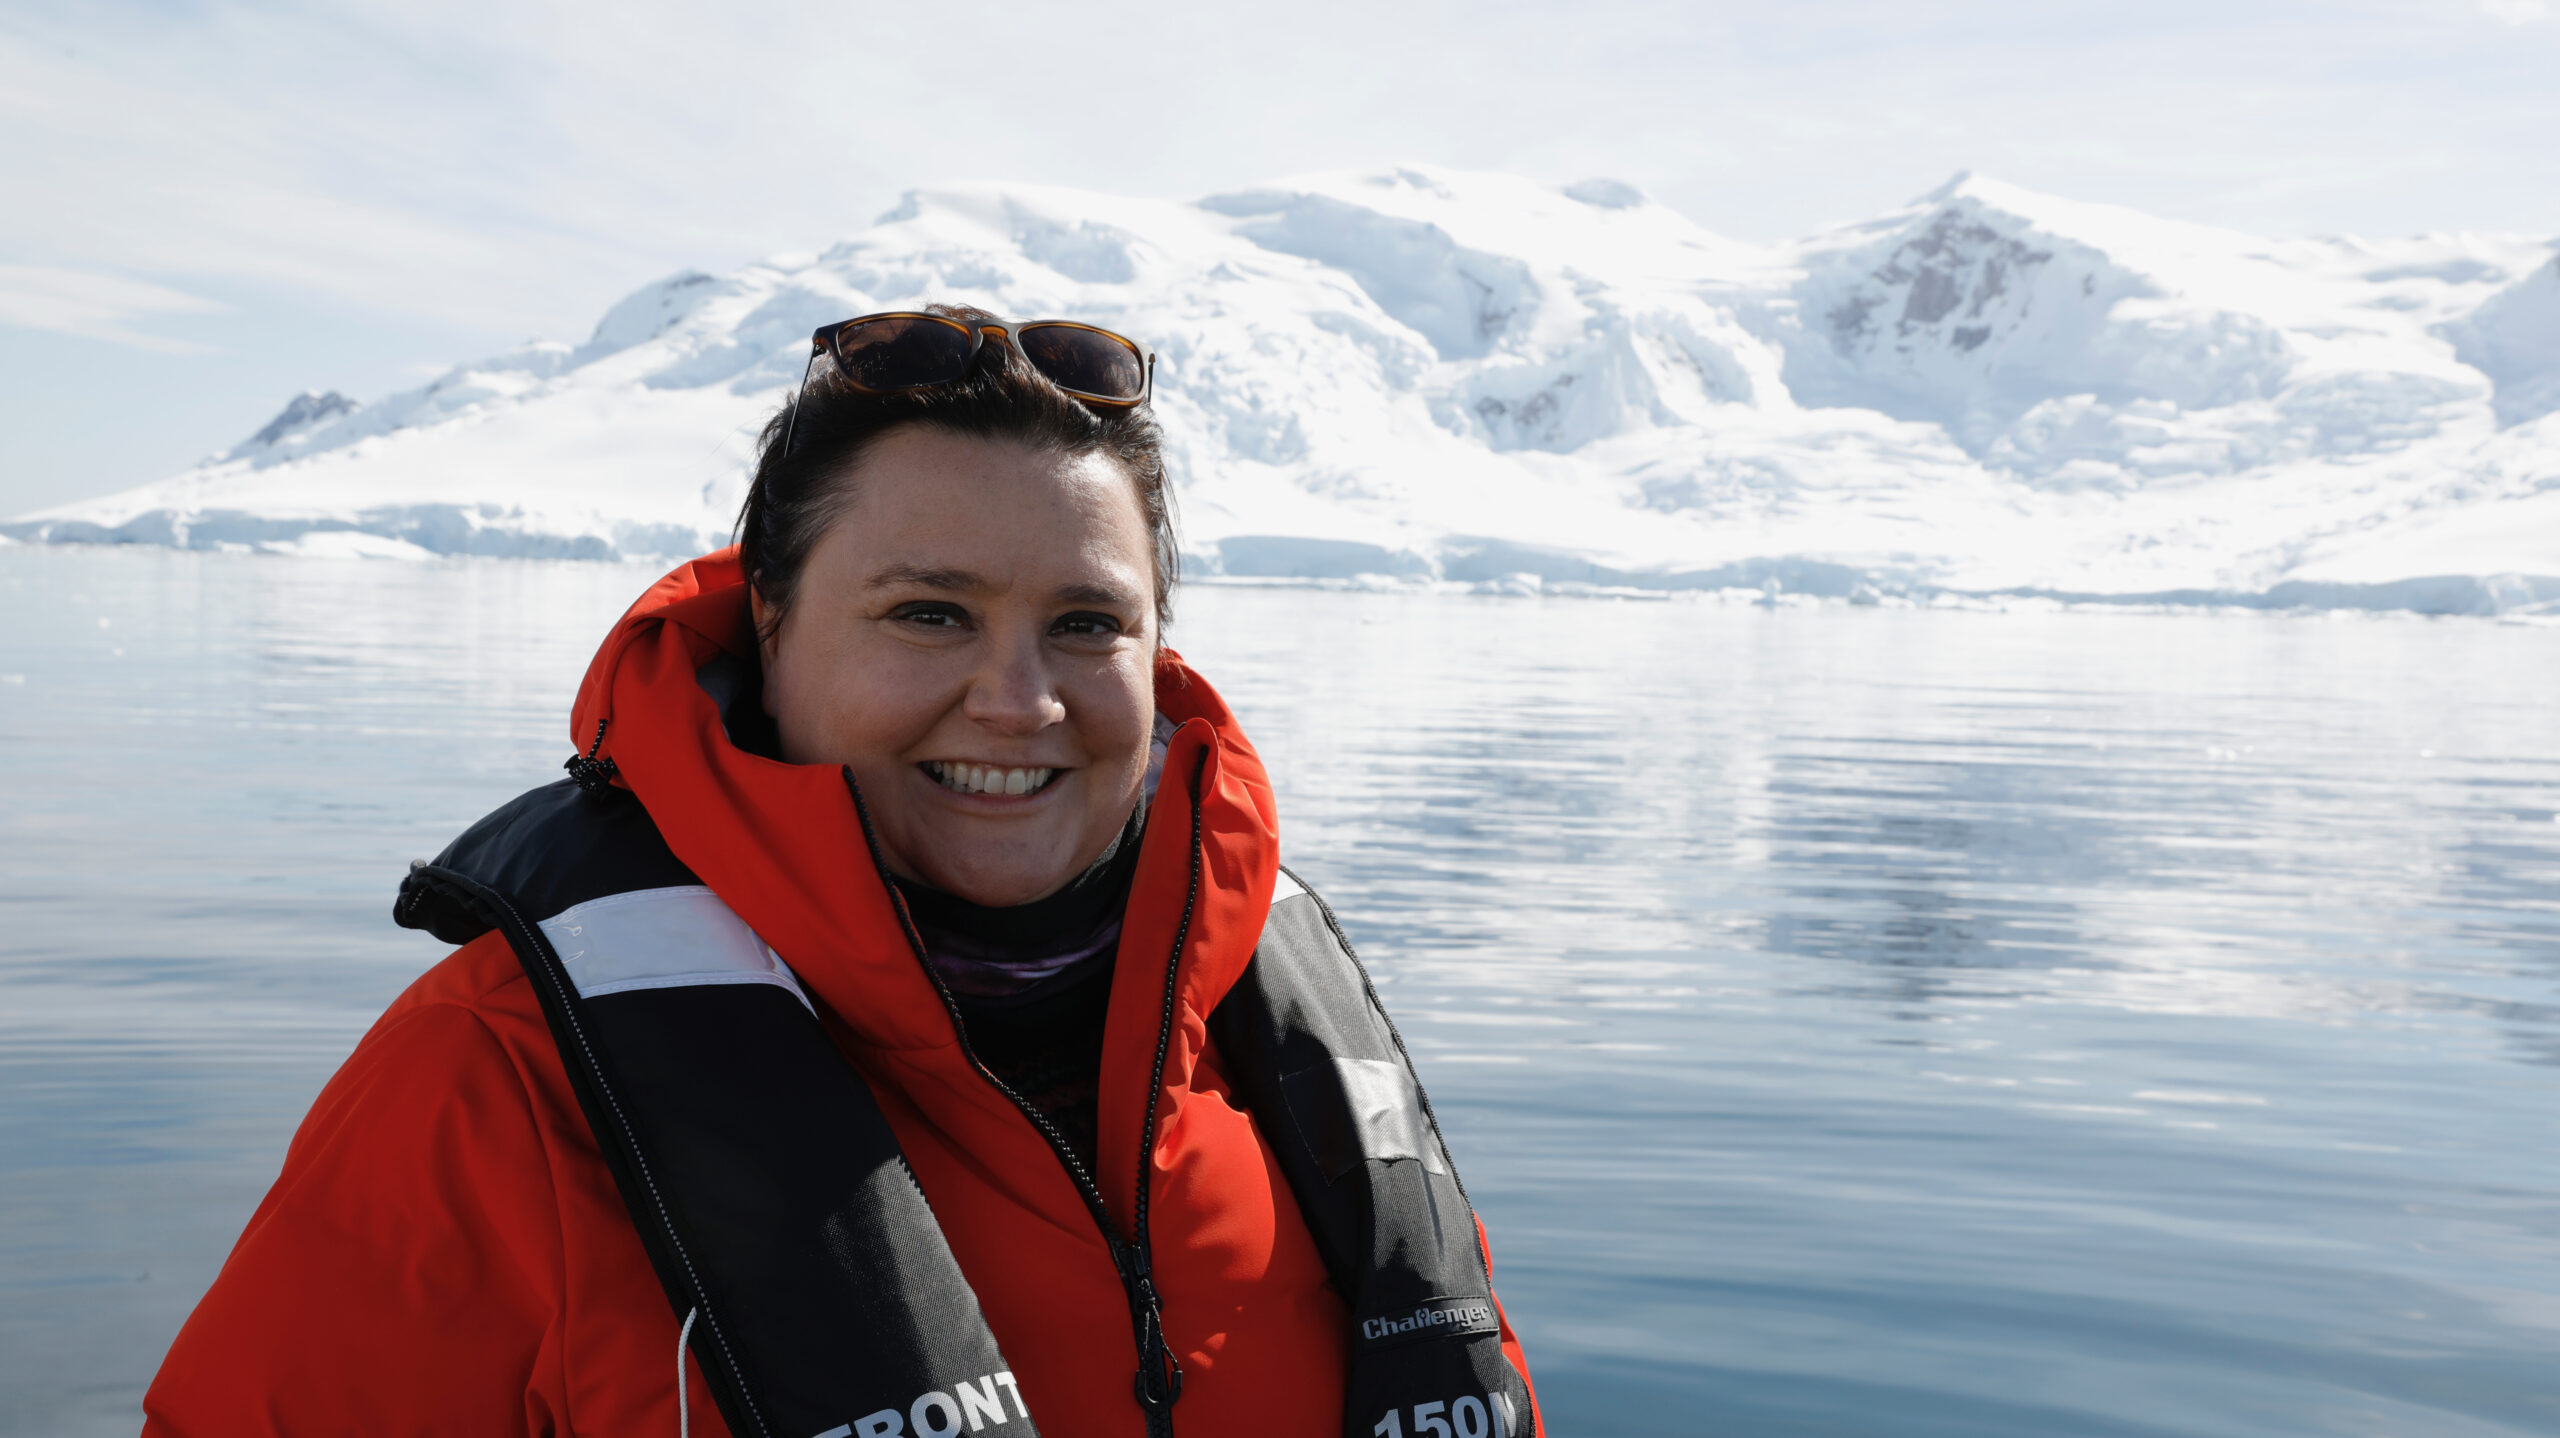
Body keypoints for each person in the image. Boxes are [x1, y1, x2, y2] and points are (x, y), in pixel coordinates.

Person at [142, 306, 1540, 1438]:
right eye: (926, 613)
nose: (1019, 698)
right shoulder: (501, 1079)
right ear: (771, 623)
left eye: (1085, 622)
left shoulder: (1280, 1044)